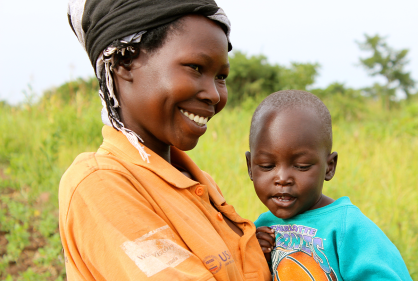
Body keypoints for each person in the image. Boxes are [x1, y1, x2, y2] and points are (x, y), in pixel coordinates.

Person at [59, 0, 271, 280]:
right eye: (196, 67)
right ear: (125, 62)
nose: (215, 95)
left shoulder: (199, 182)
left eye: (221, 76)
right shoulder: (99, 183)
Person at [246, 90, 412, 280]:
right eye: (267, 166)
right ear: (250, 167)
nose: (282, 178)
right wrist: (256, 257)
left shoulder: (347, 228)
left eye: (302, 166)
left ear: (329, 167)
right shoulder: (261, 228)